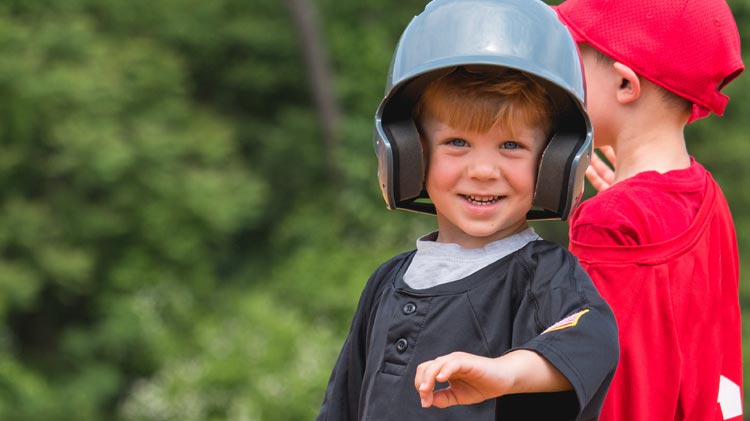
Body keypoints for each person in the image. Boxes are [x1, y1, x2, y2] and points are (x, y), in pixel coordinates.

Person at [315, 0, 618, 419]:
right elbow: (342, 405)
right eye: (457, 142)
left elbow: (593, 337)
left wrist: (505, 373)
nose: (482, 171)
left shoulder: (541, 274)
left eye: (511, 145)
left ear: (553, 163)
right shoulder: (386, 281)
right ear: (411, 152)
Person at [553, 0, 745, 420]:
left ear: (625, 85)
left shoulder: (613, 220)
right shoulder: (708, 196)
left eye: (571, 58)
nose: (558, 77)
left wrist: (607, 220)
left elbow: (596, 379)